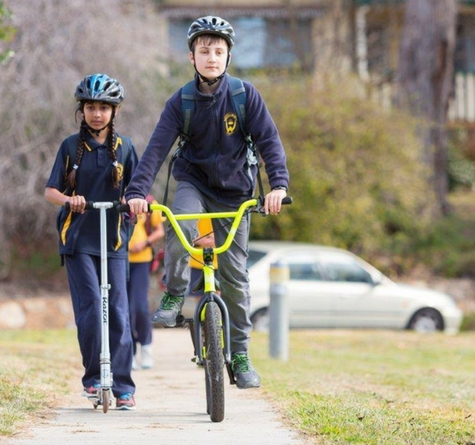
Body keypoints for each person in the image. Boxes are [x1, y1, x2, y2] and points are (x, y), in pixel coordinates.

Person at [125, 16, 290, 389]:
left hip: (235, 193)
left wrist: (277, 186)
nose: (211, 57)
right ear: (192, 57)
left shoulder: (245, 96)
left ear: (228, 55)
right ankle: (174, 293)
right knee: (180, 219)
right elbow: (155, 151)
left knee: (235, 278)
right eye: (204, 51)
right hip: (194, 183)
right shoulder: (180, 101)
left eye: (218, 51)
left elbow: (269, 144)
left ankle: (242, 354)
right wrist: (136, 192)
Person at [44, 73, 139, 410]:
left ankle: (124, 385)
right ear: (81, 110)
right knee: (89, 310)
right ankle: (94, 378)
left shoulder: (125, 147)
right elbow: (51, 190)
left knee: (118, 312)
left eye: (103, 107)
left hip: (114, 239)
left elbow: (137, 188)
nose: (97, 113)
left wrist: (138, 200)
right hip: (79, 239)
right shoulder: (71, 147)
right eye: (90, 107)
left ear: (113, 111)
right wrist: (69, 200)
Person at [127, 195, 164, 370]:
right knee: (123, 308)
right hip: (118, 259)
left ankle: (146, 346)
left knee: (139, 306)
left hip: (141, 260)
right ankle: (130, 351)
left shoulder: (149, 201)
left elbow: (159, 230)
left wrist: (145, 243)